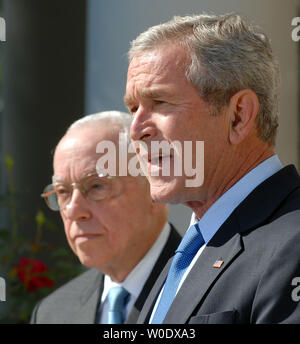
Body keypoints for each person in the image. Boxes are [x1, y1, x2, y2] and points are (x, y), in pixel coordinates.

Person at [124, 13, 300, 324]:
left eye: (160, 102)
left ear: (239, 116)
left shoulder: (292, 242)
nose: (136, 128)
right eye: (133, 107)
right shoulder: (192, 248)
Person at [30, 111, 181, 324]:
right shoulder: (52, 313)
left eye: (96, 186)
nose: (73, 211)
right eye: (63, 192)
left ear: (155, 189)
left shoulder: (209, 290)